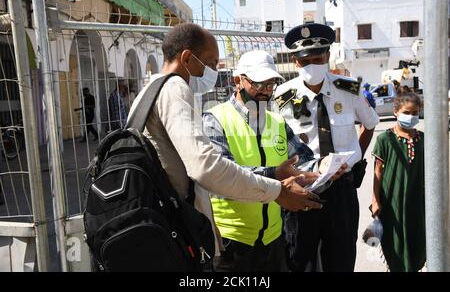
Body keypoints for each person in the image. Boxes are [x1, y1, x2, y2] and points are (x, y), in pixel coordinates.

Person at [128, 23, 324, 258]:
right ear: (187, 58)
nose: (213, 71)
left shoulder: (149, 90)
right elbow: (206, 167)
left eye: (271, 84)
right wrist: (277, 191)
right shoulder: (176, 89)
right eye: (211, 64)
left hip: (261, 235)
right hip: (190, 231)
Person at [203, 50, 346, 272]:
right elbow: (223, 176)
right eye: (259, 83)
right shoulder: (215, 119)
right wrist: (275, 175)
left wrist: (322, 167)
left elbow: (303, 158)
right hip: (231, 241)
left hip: (273, 239)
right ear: (238, 80)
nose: (266, 91)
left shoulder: (276, 122)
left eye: (271, 84)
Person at [274, 23, 380, 272]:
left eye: (318, 58)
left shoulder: (349, 88)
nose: (313, 65)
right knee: (300, 257)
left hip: (341, 189)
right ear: (296, 62)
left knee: (341, 255)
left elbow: (370, 124)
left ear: (328, 56)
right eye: (306, 60)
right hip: (303, 188)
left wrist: (354, 159)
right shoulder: (283, 95)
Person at [370, 92, 425, 272]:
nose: (411, 117)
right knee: (394, 244)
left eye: (415, 113)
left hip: (417, 203)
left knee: (417, 241)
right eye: (407, 112)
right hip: (392, 201)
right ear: (396, 111)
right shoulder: (385, 140)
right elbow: (377, 172)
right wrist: (375, 200)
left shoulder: (424, 139)